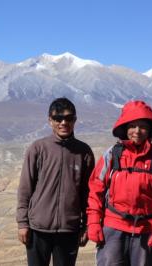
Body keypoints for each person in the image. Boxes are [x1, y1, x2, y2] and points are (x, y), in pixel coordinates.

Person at [86, 100, 152, 266]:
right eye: (132, 126)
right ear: (125, 128)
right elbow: (96, 190)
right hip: (113, 229)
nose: (137, 131)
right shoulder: (113, 154)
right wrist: (93, 222)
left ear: (149, 129)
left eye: (142, 126)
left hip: (146, 231)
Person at [17, 97, 95, 266]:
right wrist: (23, 223)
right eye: (58, 118)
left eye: (68, 118)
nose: (63, 122)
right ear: (50, 120)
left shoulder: (84, 152)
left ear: (75, 120)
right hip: (38, 228)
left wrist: (87, 225)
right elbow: (25, 189)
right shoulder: (38, 148)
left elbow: (88, 194)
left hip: (69, 229)